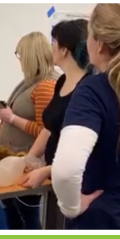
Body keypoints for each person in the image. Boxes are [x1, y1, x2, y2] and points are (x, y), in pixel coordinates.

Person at [49, 3, 120, 229]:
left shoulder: (93, 90)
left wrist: (71, 207)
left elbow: (66, 170)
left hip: (101, 220)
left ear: (99, 45)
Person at [0, 31, 58, 229]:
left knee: (27, 219)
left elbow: (45, 130)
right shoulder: (30, 82)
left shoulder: (46, 85)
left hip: (28, 165)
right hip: (15, 161)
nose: (19, 59)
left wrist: (11, 118)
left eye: (20, 54)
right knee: (13, 216)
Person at [20, 20, 91, 187]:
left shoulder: (89, 88)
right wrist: (28, 159)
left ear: (64, 50)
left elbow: (82, 150)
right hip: (54, 176)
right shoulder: (62, 81)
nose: (50, 48)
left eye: (54, 43)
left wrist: (48, 170)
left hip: (75, 182)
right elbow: (49, 128)